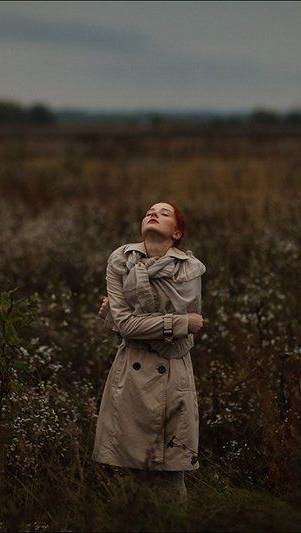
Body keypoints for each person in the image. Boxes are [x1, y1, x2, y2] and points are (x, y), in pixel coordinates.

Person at [92, 201, 206, 505]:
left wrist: (118, 318)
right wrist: (179, 322)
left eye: (164, 213)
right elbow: (129, 326)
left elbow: (182, 335)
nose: (152, 214)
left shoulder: (190, 268)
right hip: (131, 373)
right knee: (128, 475)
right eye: (149, 212)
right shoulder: (120, 259)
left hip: (173, 373)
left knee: (171, 474)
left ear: (177, 232)